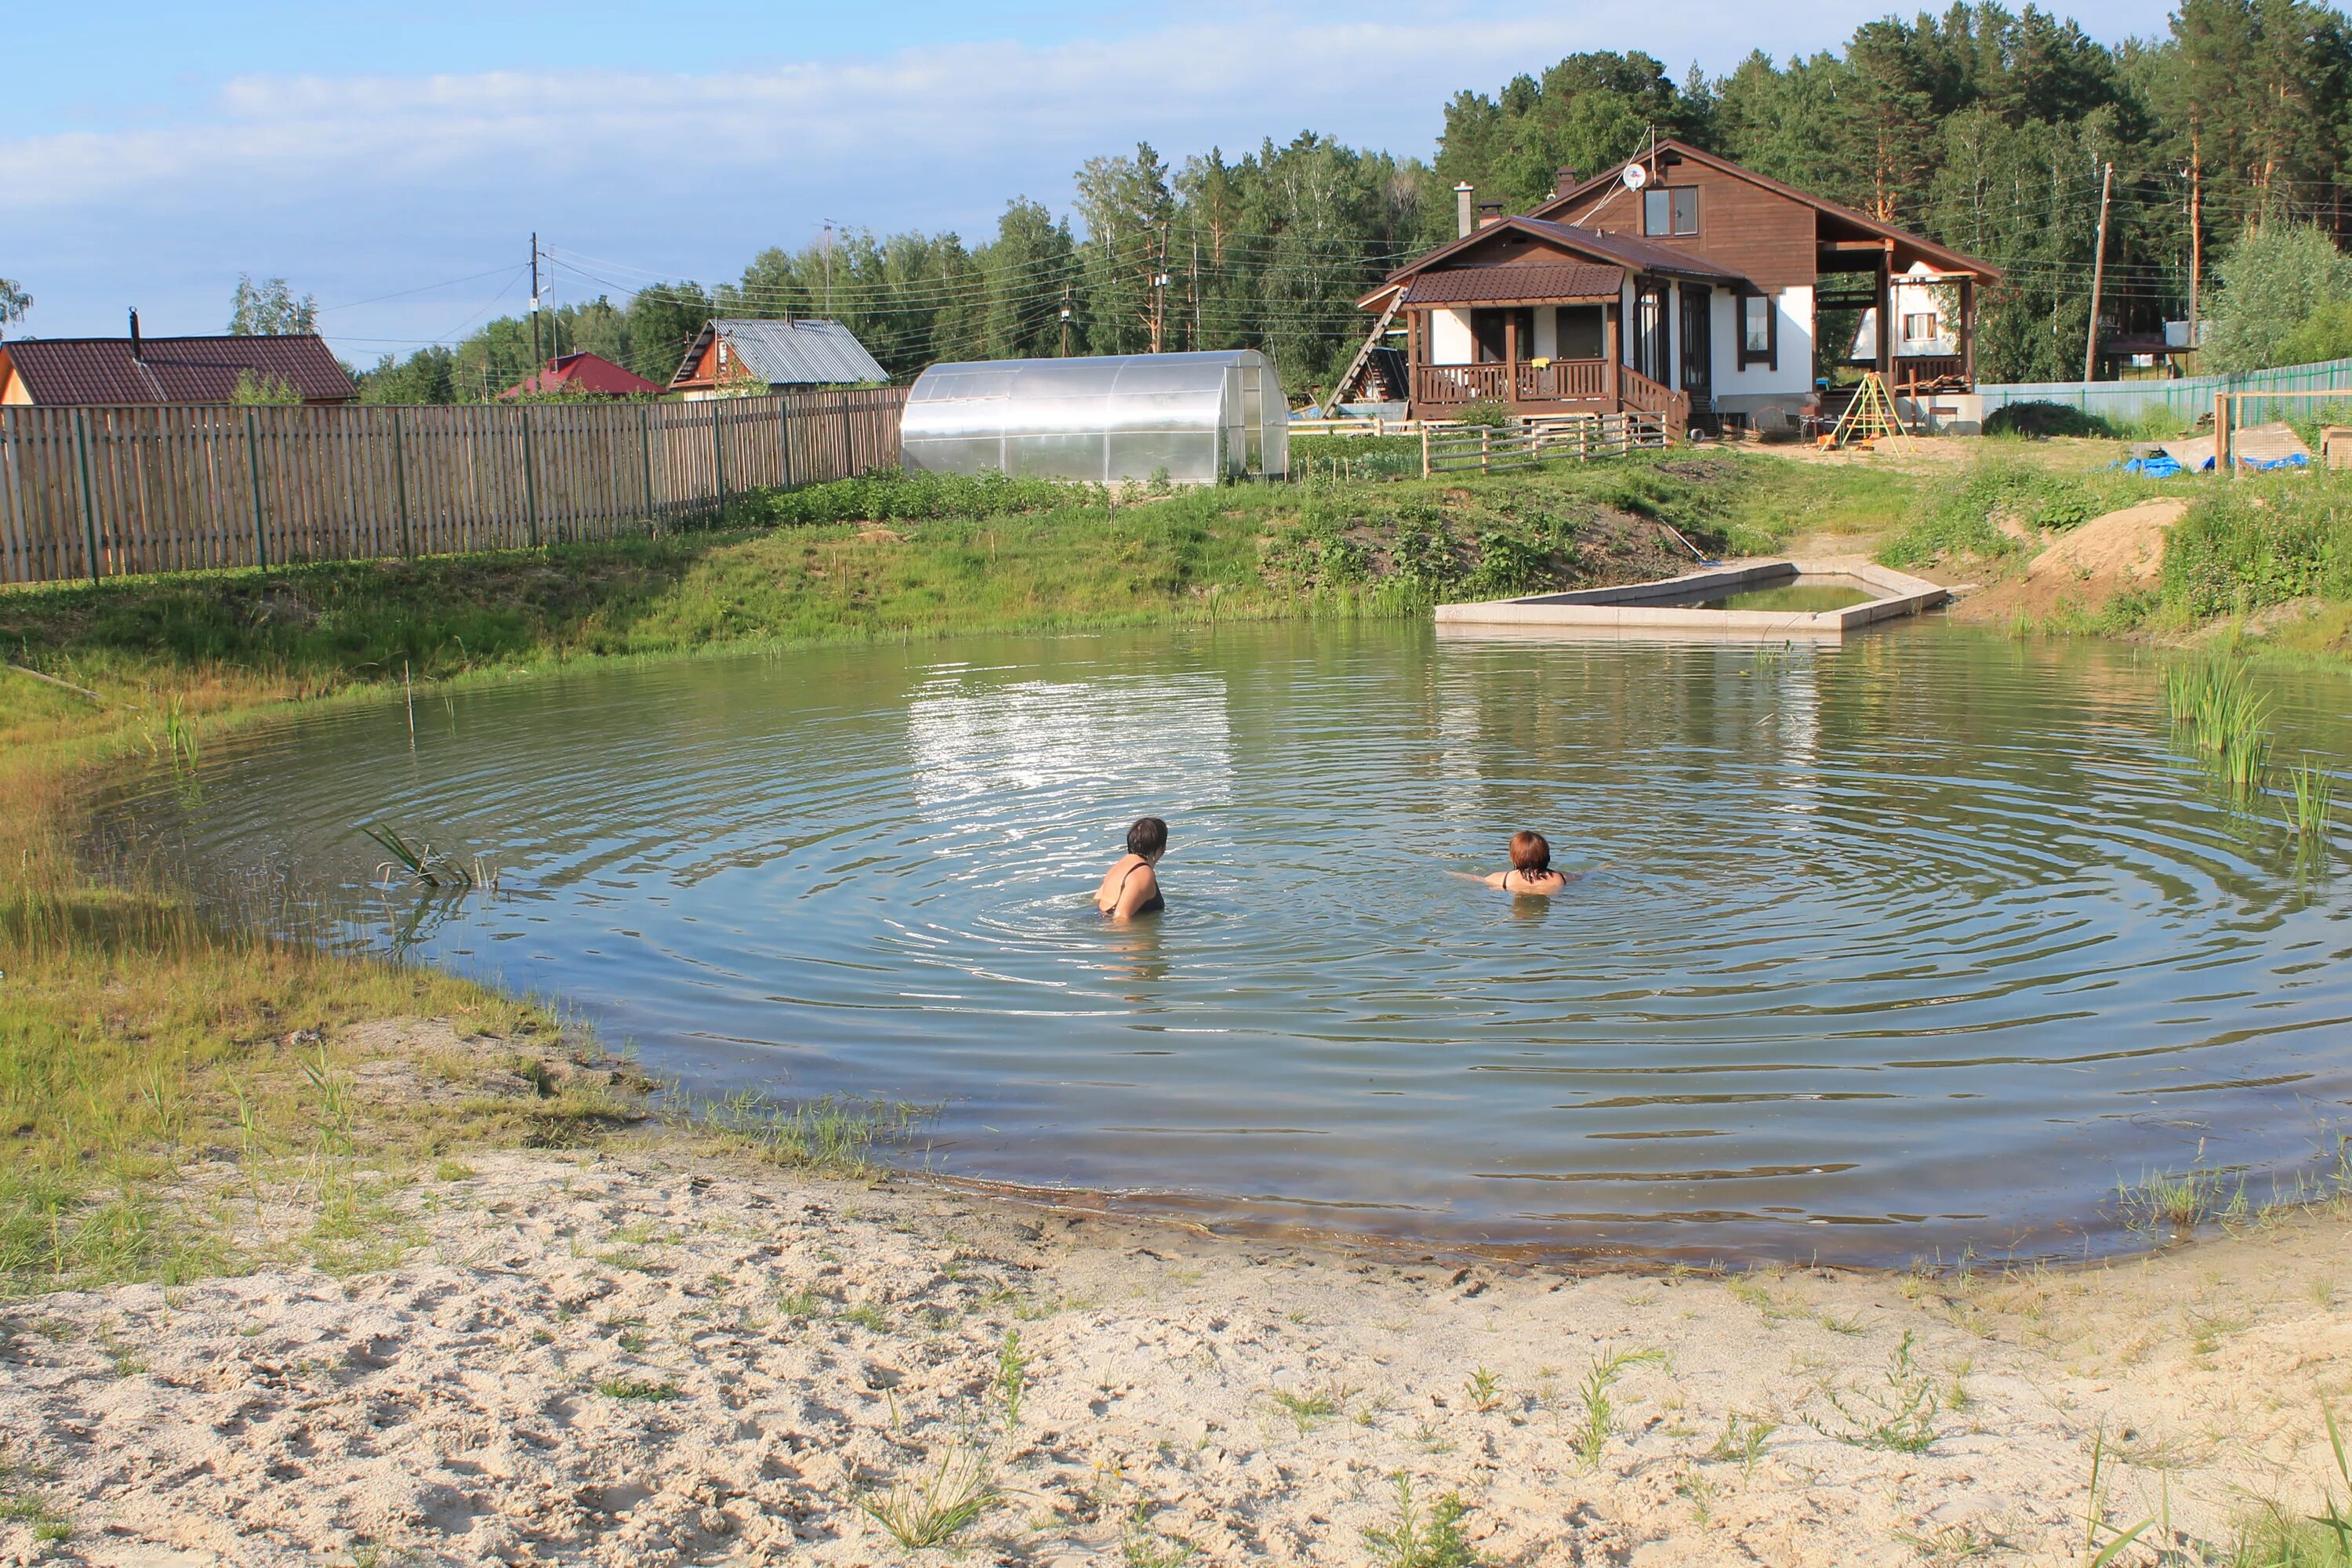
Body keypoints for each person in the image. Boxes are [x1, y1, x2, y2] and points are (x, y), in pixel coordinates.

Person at [1095, 816, 1167, 919]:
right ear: (1161, 848)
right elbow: (1120, 918)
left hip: (1099, 919)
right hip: (1115, 928)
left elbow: (1097, 901)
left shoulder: (1118, 867)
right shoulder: (1144, 873)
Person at [1480, 829, 1568, 896]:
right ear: (1547, 856)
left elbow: (1478, 879)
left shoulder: (1503, 879)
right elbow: (1581, 876)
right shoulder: (1561, 878)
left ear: (1512, 858)